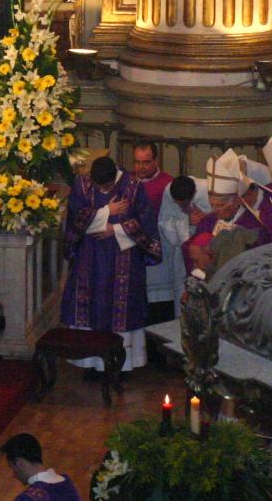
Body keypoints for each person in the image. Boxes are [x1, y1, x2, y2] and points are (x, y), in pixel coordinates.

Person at [60, 156, 161, 376]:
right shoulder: (83, 184)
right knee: (92, 307)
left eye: (105, 186)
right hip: (90, 258)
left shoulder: (133, 187)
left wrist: (114, 230)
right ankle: (88, 363)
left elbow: (146, 223)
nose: (100, 188)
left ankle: (121, 365)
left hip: (124, 257)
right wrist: (107, 211)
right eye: (98, 185)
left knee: (121, 310)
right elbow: (76, 218)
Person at [190, 149, 272, 255]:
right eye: (212, 204)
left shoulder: (253, 224)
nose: (215, 210)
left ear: (236, 200)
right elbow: (189, 247)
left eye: (220, 205)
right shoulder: (208, 221)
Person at [132, 142, 176, 326]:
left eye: (146, 162)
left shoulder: (168, 185)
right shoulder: (128, 181)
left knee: (157, 310)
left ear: (156, 161)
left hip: (159, 255)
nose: (140, 167)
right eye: (137, 162)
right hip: (133, 252)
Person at [157, 175, 208, 317]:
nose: (182, 207)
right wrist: (187, 222)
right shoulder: (168, 191)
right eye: (178, 204)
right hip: (182, 253)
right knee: (183, 291)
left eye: (184, 204)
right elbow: (164, 222)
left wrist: (205, 220)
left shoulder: (207, 190)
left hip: (206, 253)